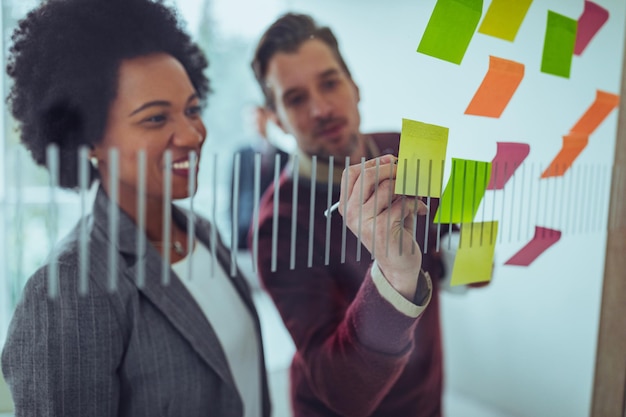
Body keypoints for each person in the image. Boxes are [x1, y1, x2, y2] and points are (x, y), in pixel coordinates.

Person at [1, 0, 270, 416]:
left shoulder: (202, 232)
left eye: (192, 109)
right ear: (88, 140)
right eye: (156, 119)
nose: (192, 134)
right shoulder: (71, 290)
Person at [251, 13, 455, 417]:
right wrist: (395, 278)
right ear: (276, 120)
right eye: (295, 98)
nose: (322, 108)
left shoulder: (406, 148)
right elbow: (340, 388)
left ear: (355, 87)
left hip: (427, 400)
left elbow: (445, 240)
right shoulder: (279, 225)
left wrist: (469, 250)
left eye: (329, 83)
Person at [230, 104, 288, 250]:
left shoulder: (284, 155)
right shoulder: (240, 154)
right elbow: (233, 191)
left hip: (274, 224)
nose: (255, 124)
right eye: (251, 121)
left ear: (266, 119)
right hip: (245, 223)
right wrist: (233, 224)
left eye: (258, 119)